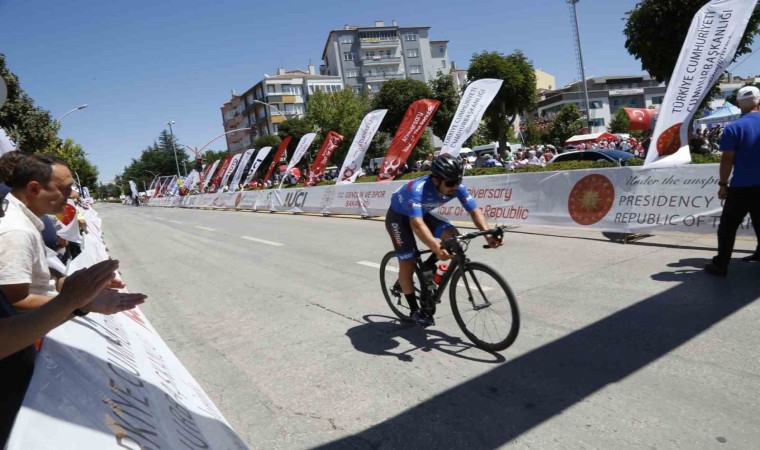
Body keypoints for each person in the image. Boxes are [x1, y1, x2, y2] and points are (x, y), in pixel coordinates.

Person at [385, 154, 502, 326]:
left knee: (454, 236)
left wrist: (488, 234)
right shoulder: (418, 190)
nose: (455, 187)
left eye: (458, 181)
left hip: (423, 214)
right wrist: (436, 247)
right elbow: (417, 225)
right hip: (399, 218)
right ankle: (415, 310)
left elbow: (474, 211)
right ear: (435, 180)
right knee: (408, 261)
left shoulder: (456, 186)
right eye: (450, 183)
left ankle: (427, 267)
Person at [704, 86, 760, 276]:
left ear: (737, 104)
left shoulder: (733, 128)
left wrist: (722, 184)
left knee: (727, 227)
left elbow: (727, 159)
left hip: (742, 187)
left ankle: (721, 264)